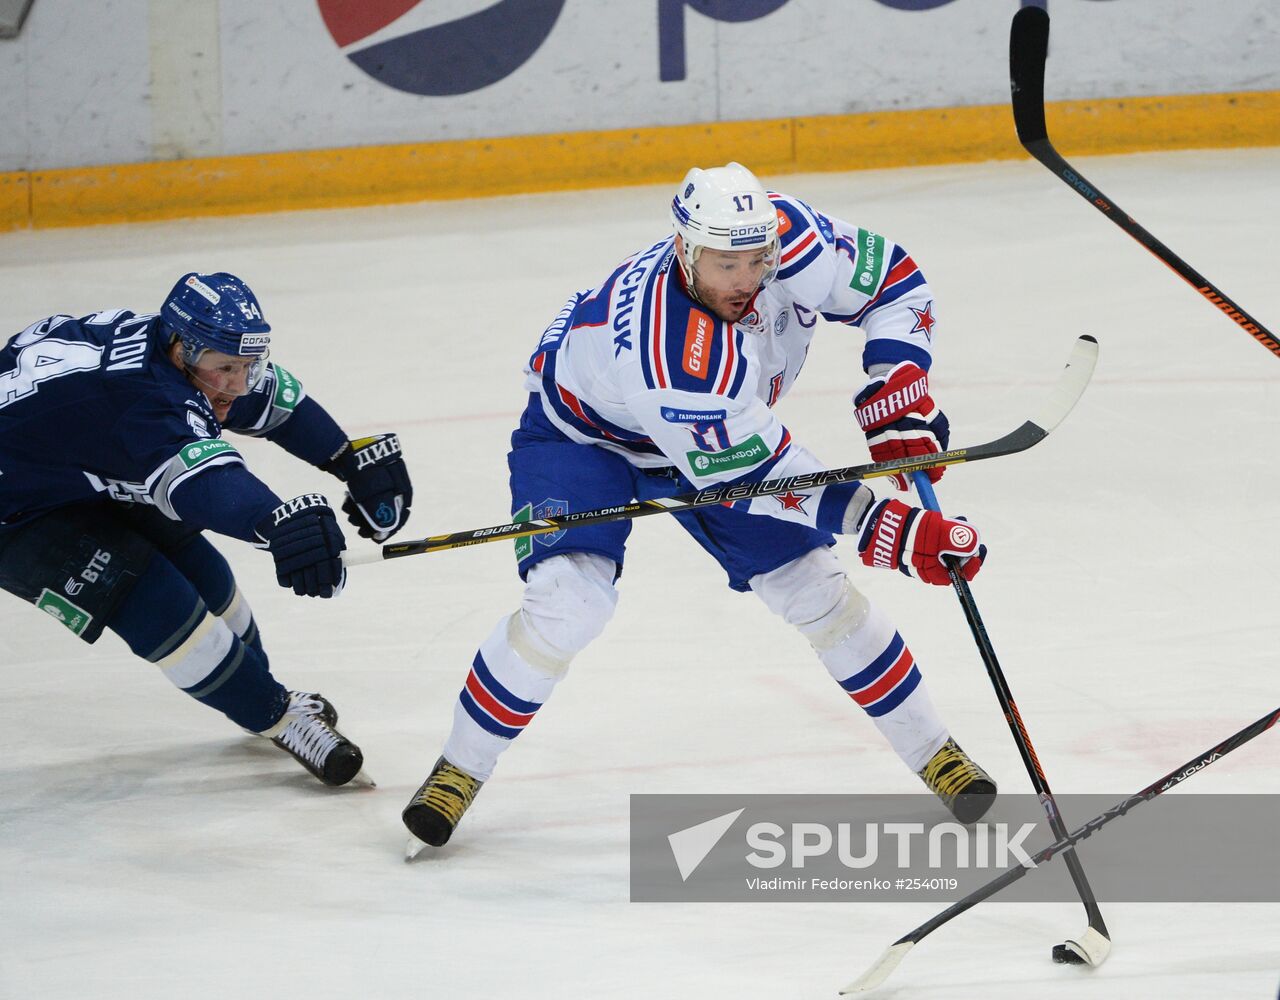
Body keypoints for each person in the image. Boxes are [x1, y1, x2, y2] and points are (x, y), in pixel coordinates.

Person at [402, 162, 994, 849]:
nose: (747, 279)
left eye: (756, 259)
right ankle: (459, 769)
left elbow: (894, 281)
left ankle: (936, 754)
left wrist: (899, 385)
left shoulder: (793, 237)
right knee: (569, 603)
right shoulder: (672, 356)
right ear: (687, 251)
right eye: (726, 263)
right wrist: (888, 527)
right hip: (586, 436)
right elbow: (763, 473)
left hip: (719, 437)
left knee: (817, 591)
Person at [0, 272, 413, 787]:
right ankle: (279, 717)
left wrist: (347, 459)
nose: (237, 383)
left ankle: (264, 693)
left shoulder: (189, 356)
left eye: (246, 365)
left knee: (205, 573)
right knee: (155, 603)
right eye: (226, 369)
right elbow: (207, 484)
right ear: (180, 350)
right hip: (14, 510)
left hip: (75, 460)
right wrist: (280, 524)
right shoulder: (147, 403)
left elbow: (271, 405)